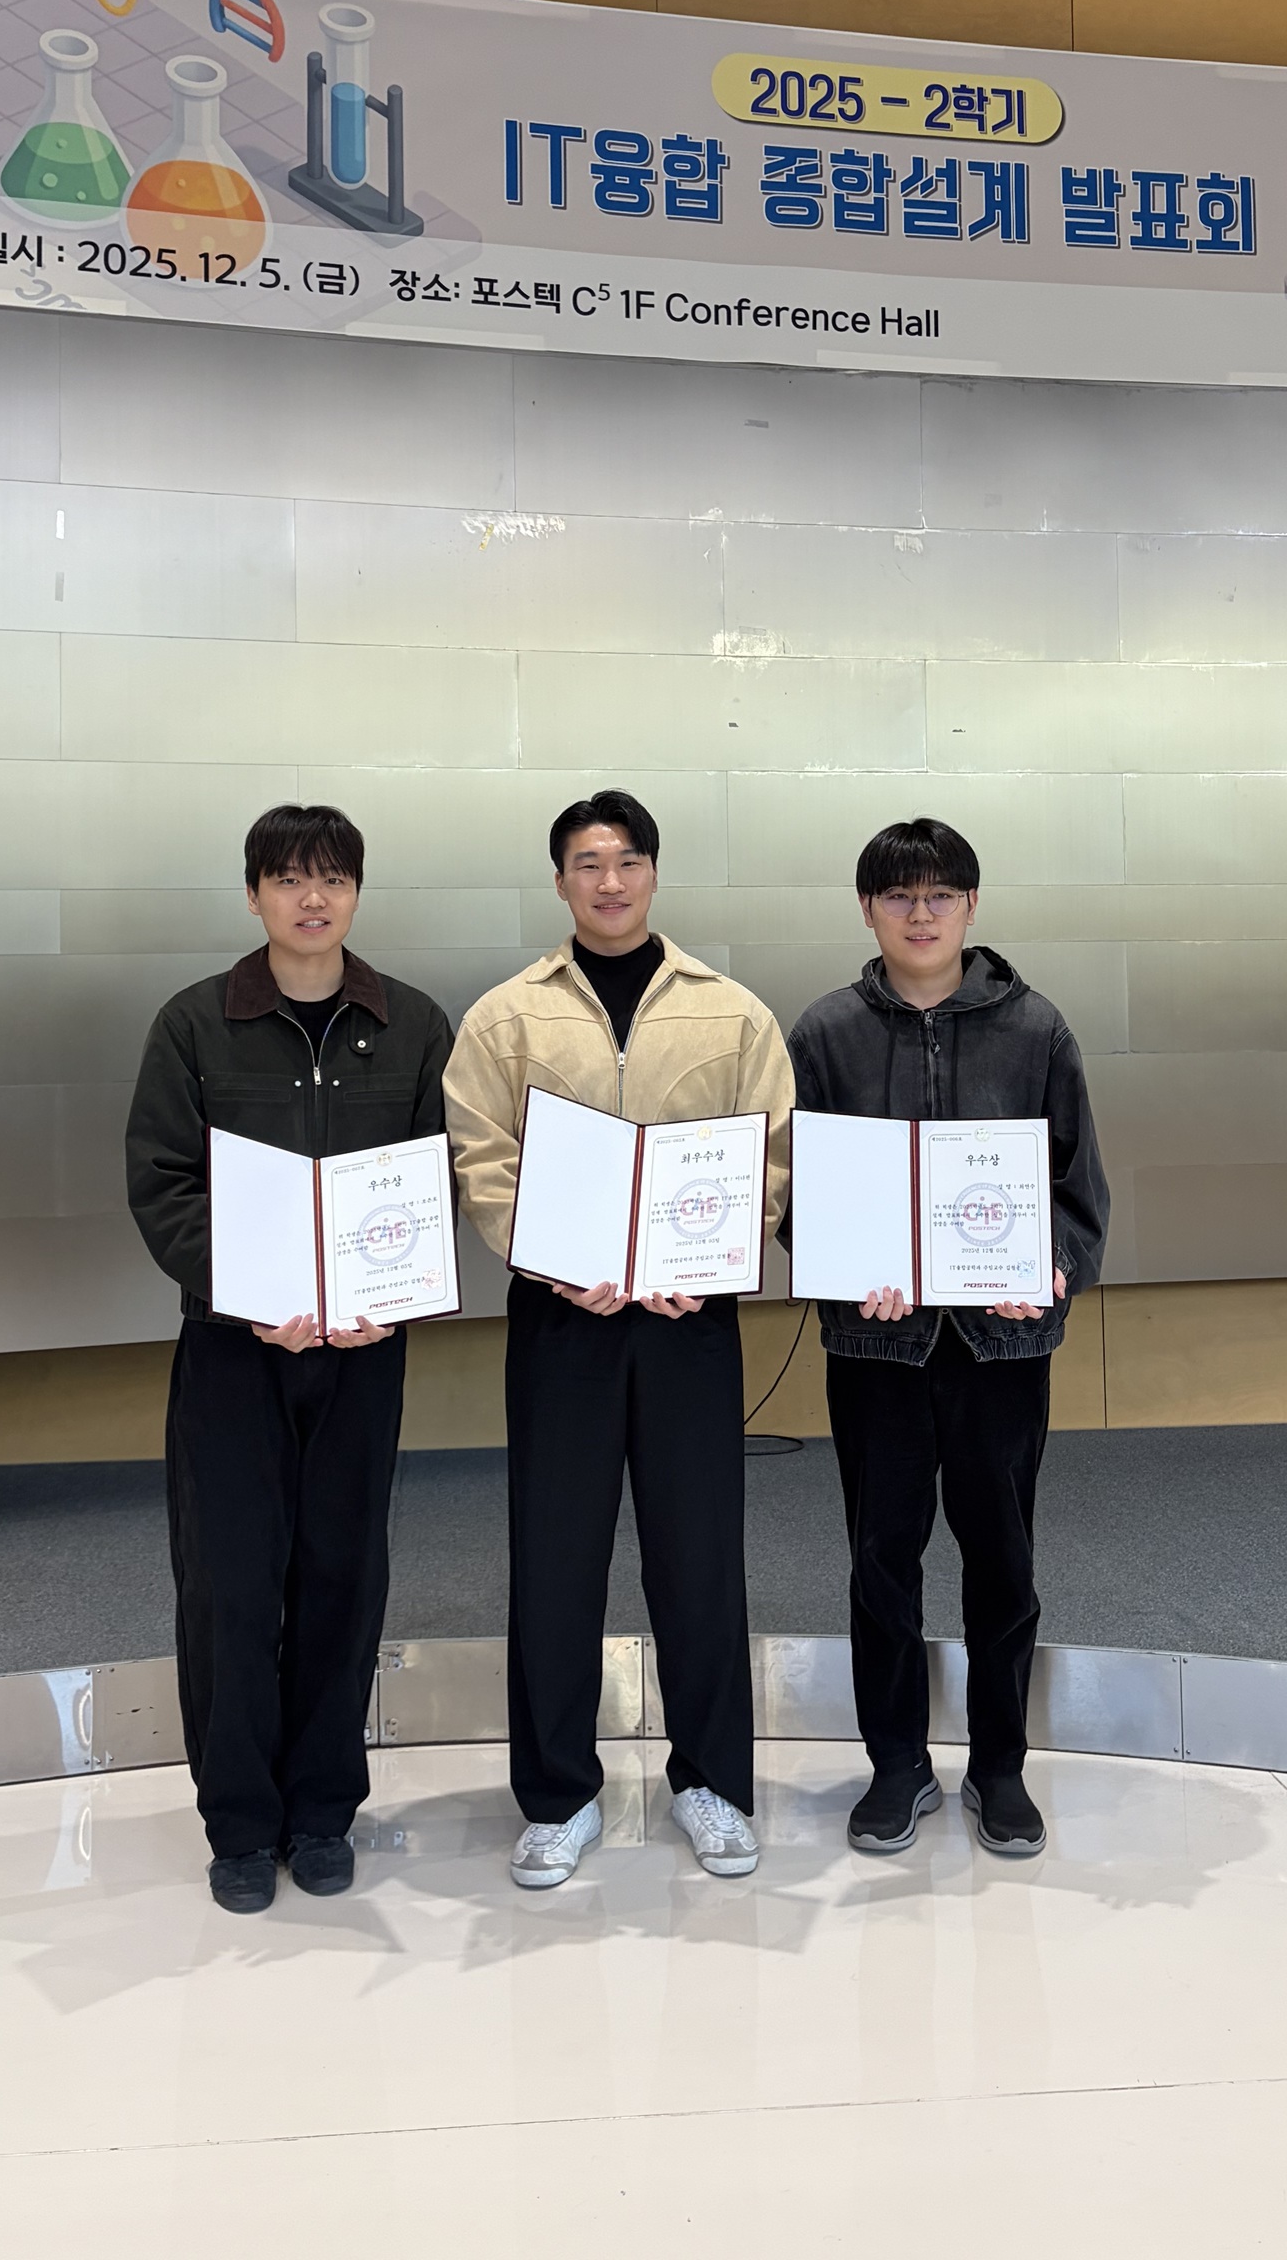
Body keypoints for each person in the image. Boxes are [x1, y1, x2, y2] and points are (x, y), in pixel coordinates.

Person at [444, 789, 794, 1890]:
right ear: (560, 880)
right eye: (588, 863)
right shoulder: (506, 1017)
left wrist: (716, 1258)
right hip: (564, 1320)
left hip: (691, 1323)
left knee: (702, 1557)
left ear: (653, 873)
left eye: (628, 860)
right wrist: (546, 1256)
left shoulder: (731, 1013)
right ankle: (557, 1798)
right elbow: (480, 1156)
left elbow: (772, 1154)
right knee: (555, 1559)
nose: (609, 880)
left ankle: (713, 1785)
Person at [125, 803, 452, 1915]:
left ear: (356, 892)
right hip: (233, 1350)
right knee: (229, 1583)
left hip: (364, 1352)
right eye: (289, 879)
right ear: (254, 893)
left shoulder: (411, 1023)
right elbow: (162, 1182)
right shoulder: (194, 1025)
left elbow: (436, 1176)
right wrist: (251, 1294)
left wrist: (386, 1303)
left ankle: (321, 1813)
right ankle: (237, 1822)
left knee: (342, 1579)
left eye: (333, 879)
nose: (313, 899)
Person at [786, 817, 1109, 1864]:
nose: (919, 914)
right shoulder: (825, 1033)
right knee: (880, 1562)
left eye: (939, 895)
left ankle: (1000, 1767)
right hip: (876, 1350)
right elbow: (798, 1195)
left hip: (998, 1349)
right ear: (866, 908)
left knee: (1003, 1562)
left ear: (971, 905)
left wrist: (1051, 1270)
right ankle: (897, 1765)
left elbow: (1076, 1191)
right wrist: (843, 1267)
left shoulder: (1036, 1029)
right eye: (898, 895)